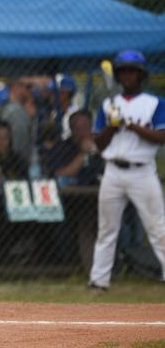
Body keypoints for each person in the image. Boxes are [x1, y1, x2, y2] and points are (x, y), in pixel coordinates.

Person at [88, 50, 165, 291]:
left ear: (141, 75)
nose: (127, 76)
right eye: (123, 72)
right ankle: (99, 281)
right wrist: (112, 126)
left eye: (132, 71)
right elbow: (98, 144)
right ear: (118, 76)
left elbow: (161, 137)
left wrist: (129, 125)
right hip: (113, 171)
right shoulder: (109, 105)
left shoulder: (155, 103)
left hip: (142, 172)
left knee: (158, 228)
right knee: (107, 229)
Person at [0, 78, 36, 171]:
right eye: (28, 87)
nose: (32, 91)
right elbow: (19, 146)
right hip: (17, 166)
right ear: (16, 87)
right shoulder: (17, 111)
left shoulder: (7, 108)